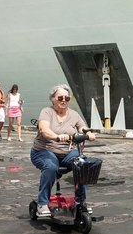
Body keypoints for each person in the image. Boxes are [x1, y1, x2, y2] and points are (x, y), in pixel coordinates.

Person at [30, 84, 96, 217]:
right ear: (53, 99)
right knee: (51, 166)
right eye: (60, 97)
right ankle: (42, 204)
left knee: (82, 164)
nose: (63, 100)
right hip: (43, 150)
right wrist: (56, 137)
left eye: (67, 97)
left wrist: (88, 133)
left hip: (66, 152)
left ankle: (81, 202)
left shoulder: (74, 114)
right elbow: (44, 129)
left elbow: (82, 127)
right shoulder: (47, 112)